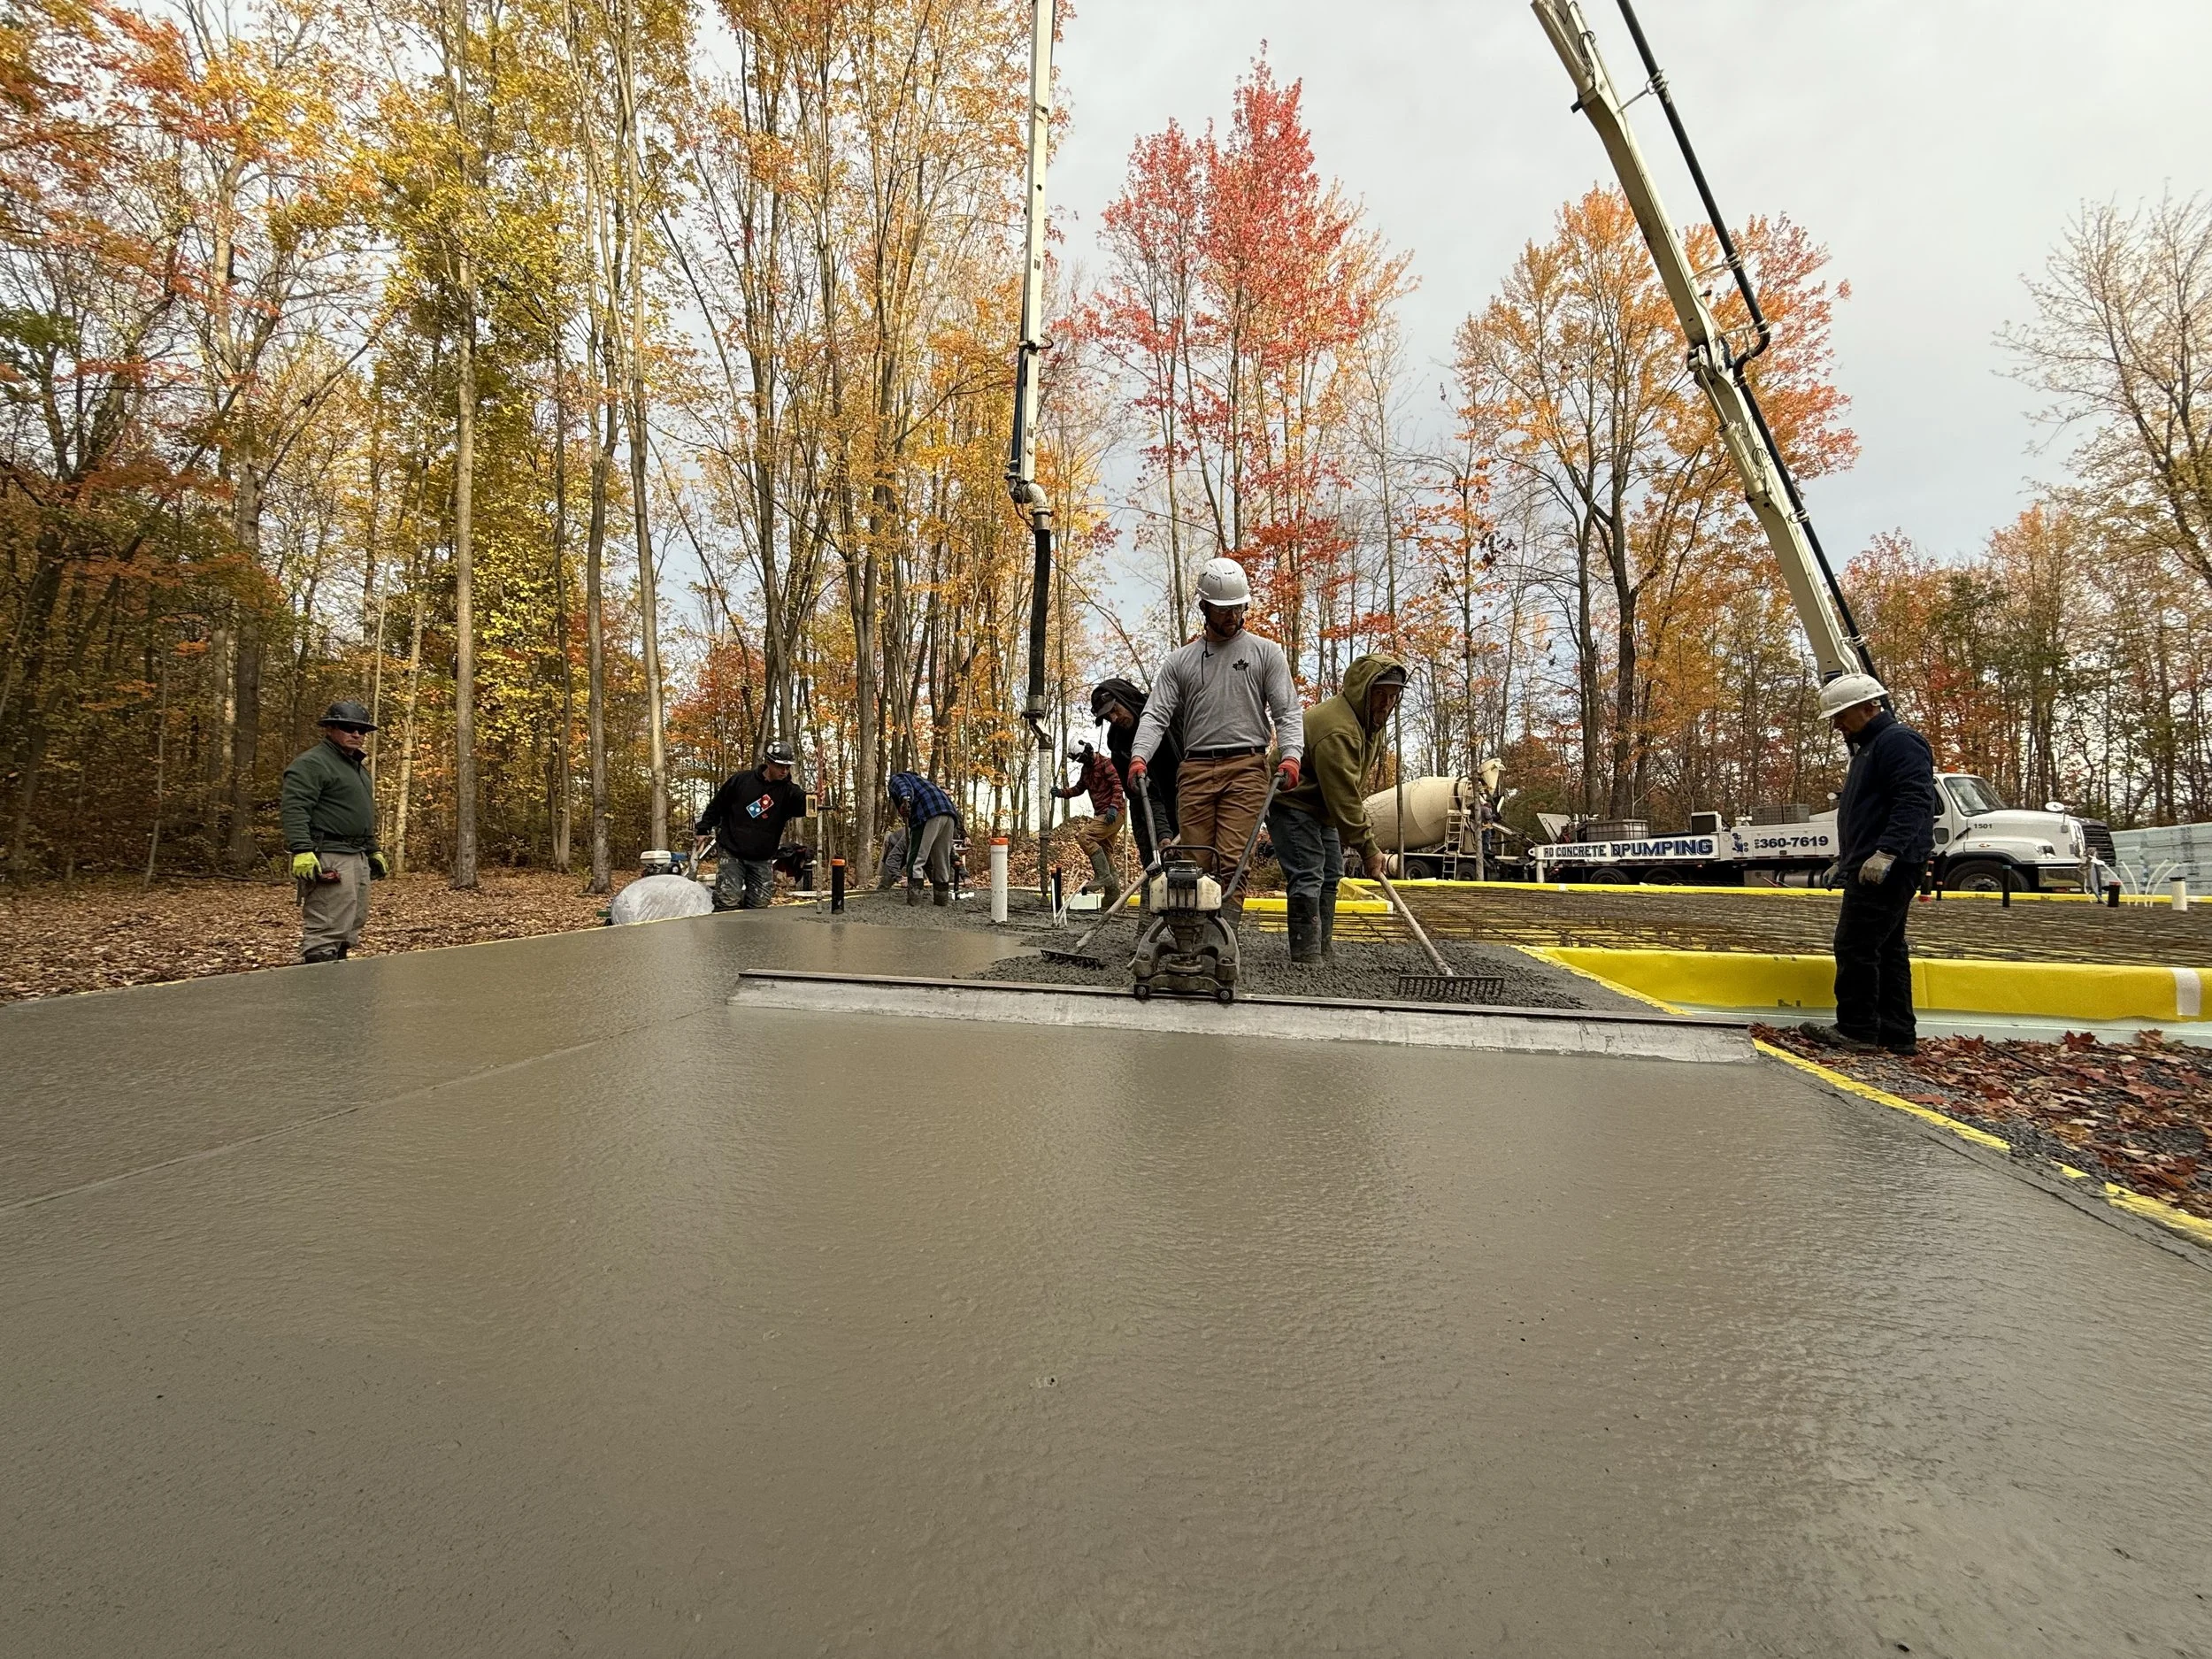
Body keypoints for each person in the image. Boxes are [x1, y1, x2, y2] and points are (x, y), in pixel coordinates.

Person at [1129, 557, 1303, 922]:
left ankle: (1223, 938)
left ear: (1245, 606)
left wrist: (1291, 755)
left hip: (1246, 767)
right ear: (1204, 607)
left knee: (1232, 859)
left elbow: (1287, 712)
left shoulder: (1265, 653)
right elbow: (1156, 714)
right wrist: (1139, 756)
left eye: (1237, 608)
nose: (1231, 616)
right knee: (1194, 860)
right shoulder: (1181, 662)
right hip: (1194, 770)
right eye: (1222, 610)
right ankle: (1190, 935)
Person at [1799, 673, 1939, 1056]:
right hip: (1879, 862)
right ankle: (1896, 1033)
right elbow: (1871, 812)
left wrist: (1887, 852)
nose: (1837, 724)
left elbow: (1914, 801)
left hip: (1889, 866)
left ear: (1869, 707)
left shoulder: (1897, 742)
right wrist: (1847, 860)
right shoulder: (1871, 746)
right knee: (1888, 948)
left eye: (1842, 715)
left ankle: (1858, 1030)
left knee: (1855, 945)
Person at [1270, 653, 1408, 964]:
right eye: (1380, 695)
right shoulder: (1339, 730)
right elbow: (1344, 795)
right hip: (1291, 800)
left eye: (1393, 696)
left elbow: (1344, 792)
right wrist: (1368, 848)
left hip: (1320, 806)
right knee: (1308, 872)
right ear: (1363, 691)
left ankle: (1322, 948)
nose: (1386, 704)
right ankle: (1306, 954)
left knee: (1331, 872)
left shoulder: (1369, 722)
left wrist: (1357, 839)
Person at [280, 700, 388, 964]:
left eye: (362, 730)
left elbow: (360, 815)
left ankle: (339, 990)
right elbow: (295, 807)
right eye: (348, 727)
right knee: (327, 925)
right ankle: (319, 995)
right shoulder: (313, 763)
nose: (357, 734)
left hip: (357, 853)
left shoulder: (357, 768)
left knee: (350, 924)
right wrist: (302, 849)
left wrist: (372, 849)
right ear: (330, 728)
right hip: (329, 852)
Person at [694, 741, 809, 911]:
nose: (784, 771)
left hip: (762, 856)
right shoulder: (741, 780)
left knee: (759, 904)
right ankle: (726, 936)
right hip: (732, 850)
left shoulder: (789, 791)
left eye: (787, 767)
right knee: (727, 901)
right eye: (780, 766)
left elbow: (804, 805)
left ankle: (751, 936)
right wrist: (703, 828)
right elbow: (717, 805)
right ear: (768, 763)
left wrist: (814, 800)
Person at [1092, 678, 1179, 866]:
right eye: (1108, 718)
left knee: (1192, 870)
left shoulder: (1168, 714)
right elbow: (1143, 795)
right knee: (1155, 872)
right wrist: (1163, 834)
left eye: (1114, 710)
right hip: (1147, 808)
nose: (1114, 719)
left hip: (1186, 797)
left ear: (1126, 698)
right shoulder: (1118, 745)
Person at [1052, 741, 1128, 908]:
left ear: (1087, 751)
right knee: (1106, 852)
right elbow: (1079, 788)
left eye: (1081, 758)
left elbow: (1118, 784)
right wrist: (1061, 793)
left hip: (1114, 813)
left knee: (1084, 836)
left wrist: (1114, 807)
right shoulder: (1086, 770)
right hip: (1103, 814)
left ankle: (1102, 876)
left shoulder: (1106, 763)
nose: (1080, 762)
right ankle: (1113, 898)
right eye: (1078, 760)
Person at [886, 770, 960, 905]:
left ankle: (915, 900)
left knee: (916, 858)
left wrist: (905, 800)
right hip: (950, 815)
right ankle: (941, 900)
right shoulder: (927, 784)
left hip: (928, 814)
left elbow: (903, 787)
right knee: (942, 860)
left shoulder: (898, 778)